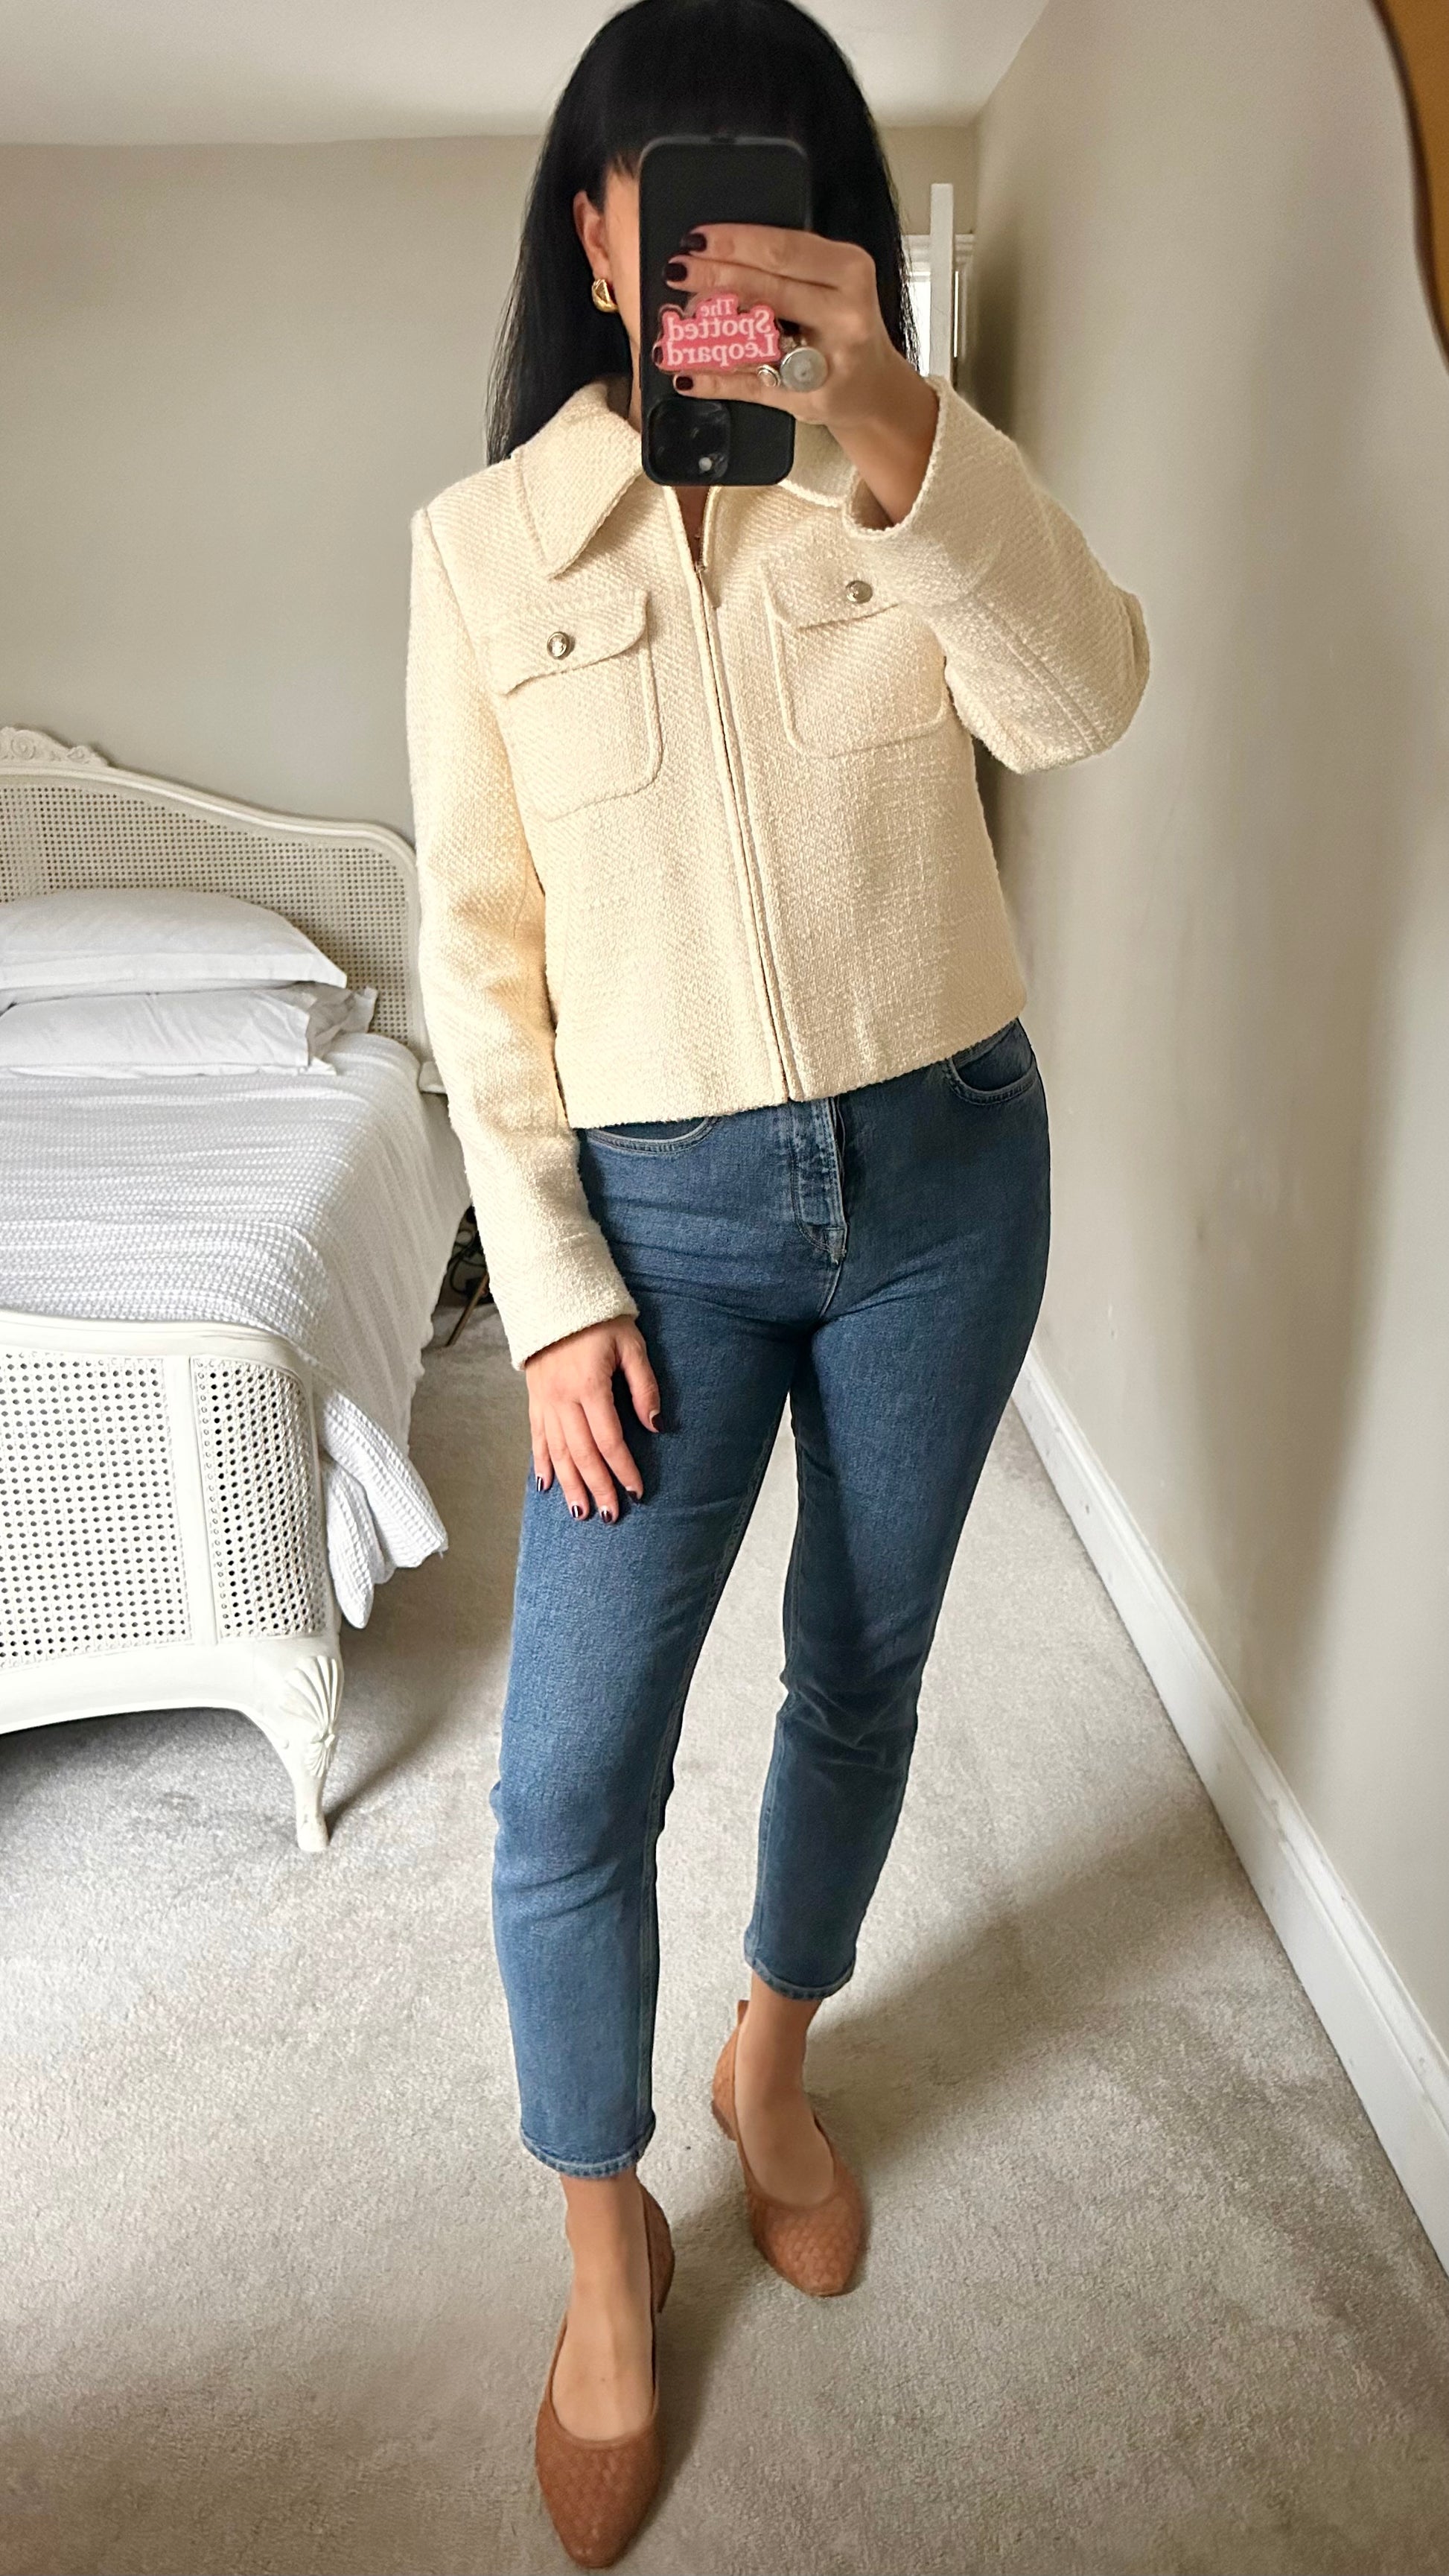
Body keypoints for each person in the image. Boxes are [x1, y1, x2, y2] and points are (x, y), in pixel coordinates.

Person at [405, 0, 1149, 2558]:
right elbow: (475, 957)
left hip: (948, 1174)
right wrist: (548, 1287)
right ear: (592, 233)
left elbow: (1082, 704)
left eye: (767, 191)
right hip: (660, 1232)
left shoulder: (909, 471)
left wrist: (897, 434)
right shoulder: (484, 548)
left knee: (862, 1662)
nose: (712, 240)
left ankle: (770, 2060)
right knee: (564, 1774)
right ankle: (600, 2235)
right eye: (665, 195)